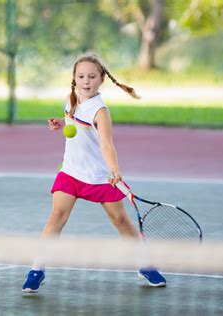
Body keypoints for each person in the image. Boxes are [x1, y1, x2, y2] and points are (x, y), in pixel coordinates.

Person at [22, 53, 166, 292]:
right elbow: (73, 123)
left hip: (100, 177)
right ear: (74, 79)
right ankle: (37, 269)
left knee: (121, 220)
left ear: (101, 80)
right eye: (81, 76)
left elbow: (106, 144)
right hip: (70, 171)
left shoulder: (101, 111)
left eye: (91, 76)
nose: (86, 81)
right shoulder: (72, 99)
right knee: (57, 216)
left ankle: (145, 265)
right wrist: (61, 123)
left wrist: (114, 170)